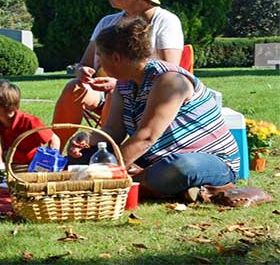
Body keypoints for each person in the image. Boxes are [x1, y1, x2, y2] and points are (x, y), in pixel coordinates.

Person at [67, 18, 238, 201]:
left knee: (179, 168)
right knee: (82, 159)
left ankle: (131, 182)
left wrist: (111, 171)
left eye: (100, 55)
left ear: (116, 58)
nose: (98, 62)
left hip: (208, 160)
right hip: (154, 161)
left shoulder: (169, 80)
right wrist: (87, 139)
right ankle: (156, 185)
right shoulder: (123, 84)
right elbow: (113, 131)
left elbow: (146, 137)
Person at [52, 0, 184, 142]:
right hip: (102, 93)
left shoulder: (165, 21)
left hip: (144, 96)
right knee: (74, 88)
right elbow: (85, 62)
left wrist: (119, 84)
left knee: (117, 93)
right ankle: (53, 151)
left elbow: (169, 73)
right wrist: (82, 71)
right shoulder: (107, 22)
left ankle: (104, 150)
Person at [0, 80, 60, 185]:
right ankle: (0, 173)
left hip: (27, 167)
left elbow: (54, 139)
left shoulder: (29, 122)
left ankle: (10, 178)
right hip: (4, 166)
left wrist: (48, 166)